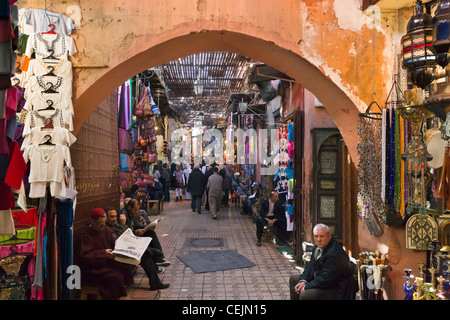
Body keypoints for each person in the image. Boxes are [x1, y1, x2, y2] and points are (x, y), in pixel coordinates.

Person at [73, 208, 134, 299]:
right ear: (92, 221)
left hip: (106, 265)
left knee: (124, 270)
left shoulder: (106, 230)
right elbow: (85, 256)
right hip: (93, 270)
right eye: (100, 223)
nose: (103, 225)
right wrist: (104, 253)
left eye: (104, 222)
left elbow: (115, 244)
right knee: (115, 277)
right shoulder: (85, 235)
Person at [289, 224, 355, 300]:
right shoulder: (317, 247)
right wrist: (303, 281)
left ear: (329, 236)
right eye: (316, 236)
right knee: (294, 280)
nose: (318, 239)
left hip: (334, 289)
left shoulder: (334, 253)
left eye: (322, 236)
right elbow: (310, 266)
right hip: (322, 281)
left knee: (306, 294)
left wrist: (306, 287)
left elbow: (326, 279)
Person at [120, 199, 171, 267]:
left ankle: (160, 259)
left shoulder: (130, 212)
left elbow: (135, 225)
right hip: (128, 239)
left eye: (137, 210)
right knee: (149, 241)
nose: (136, 212)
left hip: (133, 234)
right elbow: (124, 231)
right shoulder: (124, 214)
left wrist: (146, 227)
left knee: (151, 233)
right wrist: (135, 232)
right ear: (129, 207)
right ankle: (159, 259)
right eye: (135, 210)